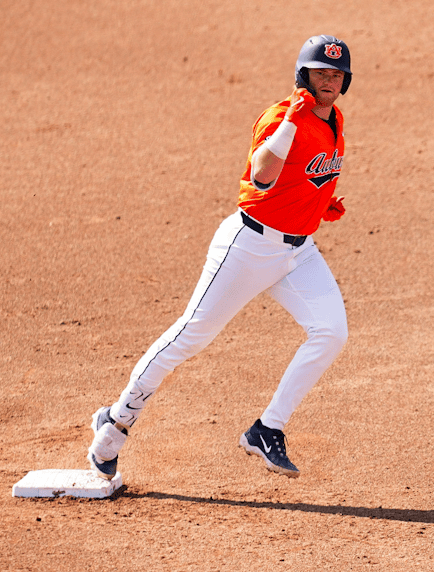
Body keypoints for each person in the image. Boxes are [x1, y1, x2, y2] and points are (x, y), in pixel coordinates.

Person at [87, 35, 352, 479]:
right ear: (303, 75)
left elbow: (302, 176)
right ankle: (115, 422)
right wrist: (291, 121)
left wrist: (318, 203)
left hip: (299, 251)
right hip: (248, 247)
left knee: (331, 332)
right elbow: (263, 176)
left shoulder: (335, 120)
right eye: (320, 72)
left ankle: (267, 429)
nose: (328, 80)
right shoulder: (280, 118)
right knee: (191, 336)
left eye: (336, 74)